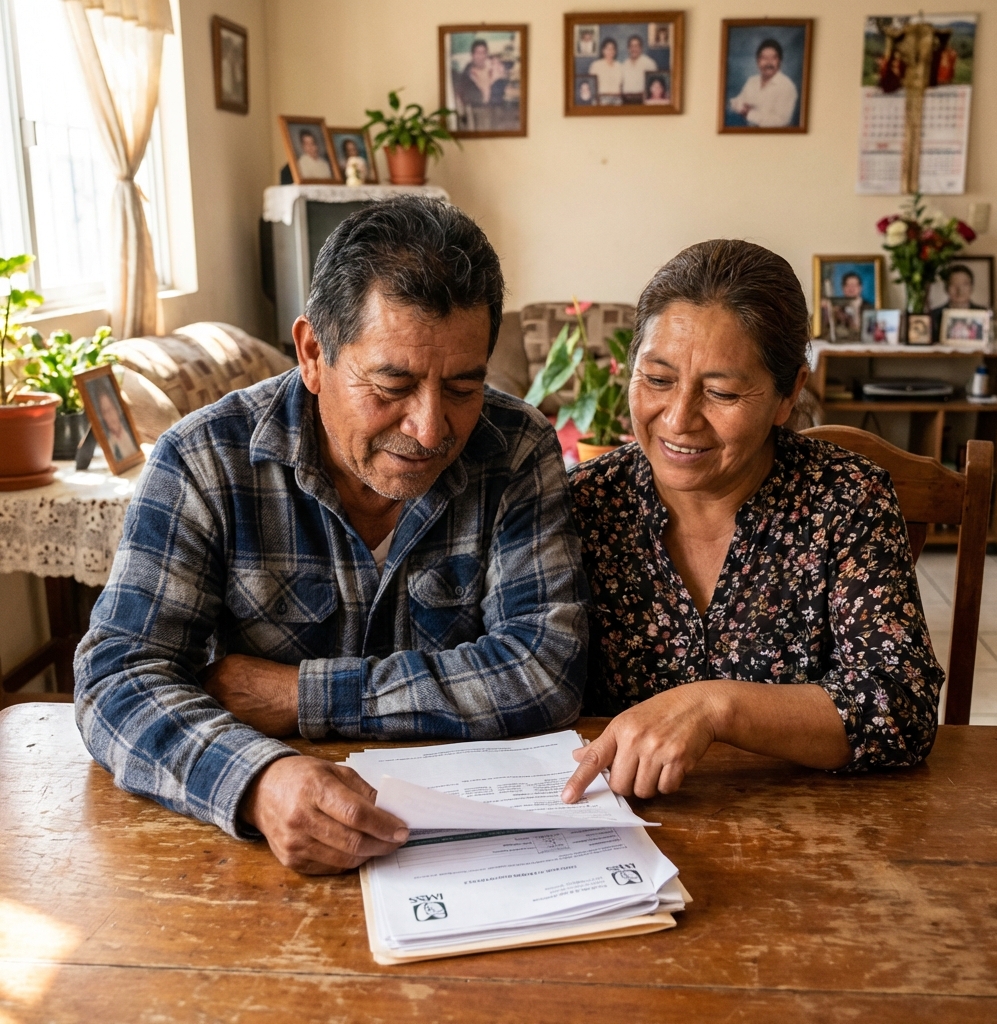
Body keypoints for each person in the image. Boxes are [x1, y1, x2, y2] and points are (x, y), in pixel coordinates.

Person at [75, 196, 589, 874]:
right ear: (313, 353)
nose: (430, 429)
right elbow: (118, 676)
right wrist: (258, 781)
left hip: (474, 850)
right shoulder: (204, 461)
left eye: (464, 388)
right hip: (255, 869)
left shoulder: (516, 447)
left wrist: (298, 695)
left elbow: (545, 668)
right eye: (392, 385)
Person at [562, 238, 943, 806]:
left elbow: (901, 706)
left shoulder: (846, 499)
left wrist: (715, 706)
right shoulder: (584, 503)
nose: (679, 419)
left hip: (803, 824)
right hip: (607, 819)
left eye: (722, 392)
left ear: (789, 394)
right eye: (658, 380)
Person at [728, 39, 799, 128]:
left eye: (773, 58)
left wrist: (749, 113)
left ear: (780, 61)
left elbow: (781, 122)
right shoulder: (752, 81)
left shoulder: (787, 86)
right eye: (764, 58)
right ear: (758, 61)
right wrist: (741, 107)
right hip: (748, 133)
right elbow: (735, 103)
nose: (769, 63)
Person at [930, 264, 985, 340]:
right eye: (954, 284)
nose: (960, 290)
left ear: (971, 287)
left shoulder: (983, 314)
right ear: (946, 288)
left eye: (965, 284)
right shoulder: (934, 316)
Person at [96, 386, 138, 462]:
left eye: (111, 408)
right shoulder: (109, 446)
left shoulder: (132, 434)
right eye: (105, 412)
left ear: (117, 409)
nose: (110, 415)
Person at [621, 34, 658, 103]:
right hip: (626, 101)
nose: (634, 49)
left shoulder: (649, 64)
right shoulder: (624, 65)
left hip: (642, 101)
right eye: (631, 46)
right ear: (628, 49)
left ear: (641, 48)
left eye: (636, 46)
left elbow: (654, 85)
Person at [589, 38, 624, 104]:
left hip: (617, 99)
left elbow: (621, 85)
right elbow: (591, 86)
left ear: (615, 51)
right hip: (601, 99)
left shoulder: (619, 66)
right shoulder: (596, 65)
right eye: (607, 49)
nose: (610, 51)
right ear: (603, 50)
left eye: (612, 48)